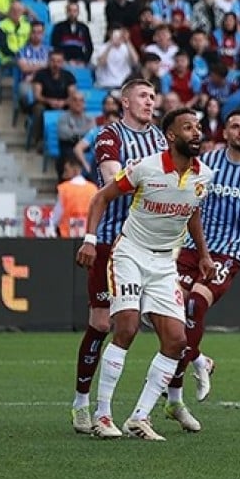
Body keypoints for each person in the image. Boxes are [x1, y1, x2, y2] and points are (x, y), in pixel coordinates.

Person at [75, 107, 215, 441]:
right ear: (171, 136)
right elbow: (101, 197)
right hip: (130, 253)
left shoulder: (204, 176)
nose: (196, 132)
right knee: (126, 327)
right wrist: (90, 239)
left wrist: (204, 254)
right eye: (188, 127)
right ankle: (102, 414)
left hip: (165, 263)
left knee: (177, 340)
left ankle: (139, 417)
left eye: (198, 127)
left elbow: (192, 212)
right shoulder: (145, 167)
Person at [164, 110, 240, 429]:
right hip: (192, 248)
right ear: (225, 133)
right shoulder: (206, 163)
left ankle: (171, 388)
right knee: (165, 312)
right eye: (235, 127)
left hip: (229, 254)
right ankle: (199, 360)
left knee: (194, 306)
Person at [69, 77, 168, 436]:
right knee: (100, 323)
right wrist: (157, 182)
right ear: (125, 101)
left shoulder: (160, 139)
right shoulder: (109, 135)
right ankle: (82, 402)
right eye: (143, 96)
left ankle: (162, 403)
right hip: (111, 240)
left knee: (163, 325)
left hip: (148, 244)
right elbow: (114, 177)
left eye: (153, 96)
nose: (150, 101)